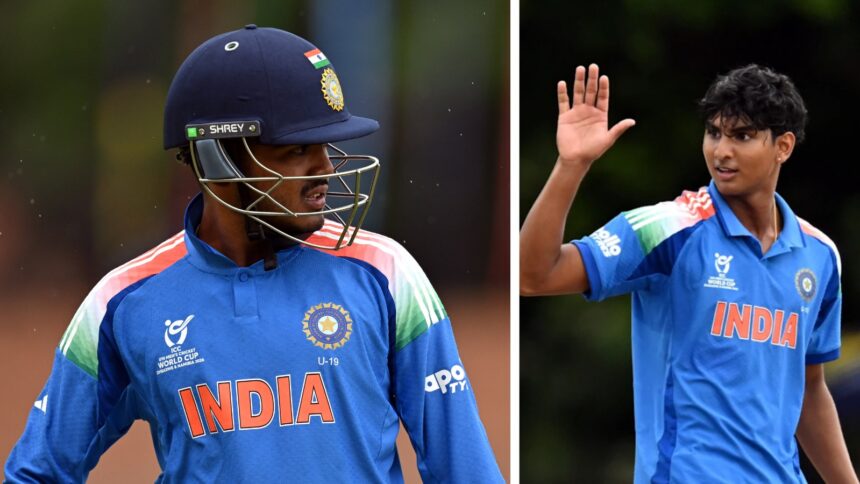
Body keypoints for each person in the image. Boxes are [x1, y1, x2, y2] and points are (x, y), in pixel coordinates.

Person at [5, 26, 503, 483]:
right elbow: (37, 471)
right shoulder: (121, 303)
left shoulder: (386, 273)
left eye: (325, 146)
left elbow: (467, 471)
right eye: (296, 151)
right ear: (217, 156)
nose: (324, 169)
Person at [520, 63, 858, 482]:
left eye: (742, 136)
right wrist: (570, 166)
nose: (722, 151)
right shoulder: (668, 229)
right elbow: (533, 276)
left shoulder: (820, 255)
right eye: (714, 132)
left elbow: (809, 389)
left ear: (783, 146)